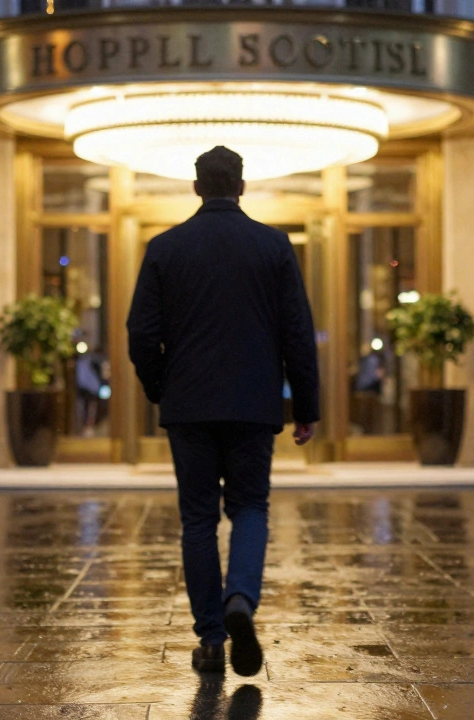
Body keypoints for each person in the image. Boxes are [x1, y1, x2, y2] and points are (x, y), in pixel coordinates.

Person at [127, 146, 320, 677]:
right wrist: (305, 405)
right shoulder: (274, 246)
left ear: (196, 187)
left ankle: (212, 640)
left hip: (188, 405)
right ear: (241, 186)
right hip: (254, 404)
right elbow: (297, 334)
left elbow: (141, 334)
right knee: (250, 507)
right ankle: (241, 599)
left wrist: (160, 387)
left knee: (197, 519)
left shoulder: (164, 248)